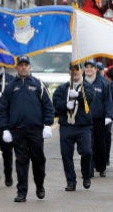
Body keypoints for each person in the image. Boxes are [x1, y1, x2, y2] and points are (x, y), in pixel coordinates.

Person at [0, 55, 54, 202]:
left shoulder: (38, 84)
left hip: (35, 130)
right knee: (21, 162)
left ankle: (40, 185)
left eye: (26, 65)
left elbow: (48, 106)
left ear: (30, 67)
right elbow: (3, 108)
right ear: (17, 67)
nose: (23, 67)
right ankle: (21, 192)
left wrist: (47, 124)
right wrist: (5, 128)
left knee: (38, 160)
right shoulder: (10, 87)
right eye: (21, 65)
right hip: (17, 131)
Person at [53, 63, 96, 191]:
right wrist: (66, 105)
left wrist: (78, 95)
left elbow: (89, 99)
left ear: (81, 71)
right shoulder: (62, 88)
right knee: (66, 155)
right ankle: (71, 181)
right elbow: (55, 103)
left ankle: (86, 174)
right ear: (68, 72)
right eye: (72, 70)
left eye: (77, 69)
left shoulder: (87, 87)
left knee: (87, 151)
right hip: (67, 126)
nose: (75, 72)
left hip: (83, 126)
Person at [82, 59, 113, 177]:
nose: (89, 69)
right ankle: (88, 169)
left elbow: (108, 101)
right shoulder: (81, 82)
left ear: (96, 69)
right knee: (87, 145)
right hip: (85, 120)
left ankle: (101, 167)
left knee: (100, 145)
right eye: (87, 67)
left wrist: (109, 115)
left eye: (91, 67)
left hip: (99, 120)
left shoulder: (103, 83)